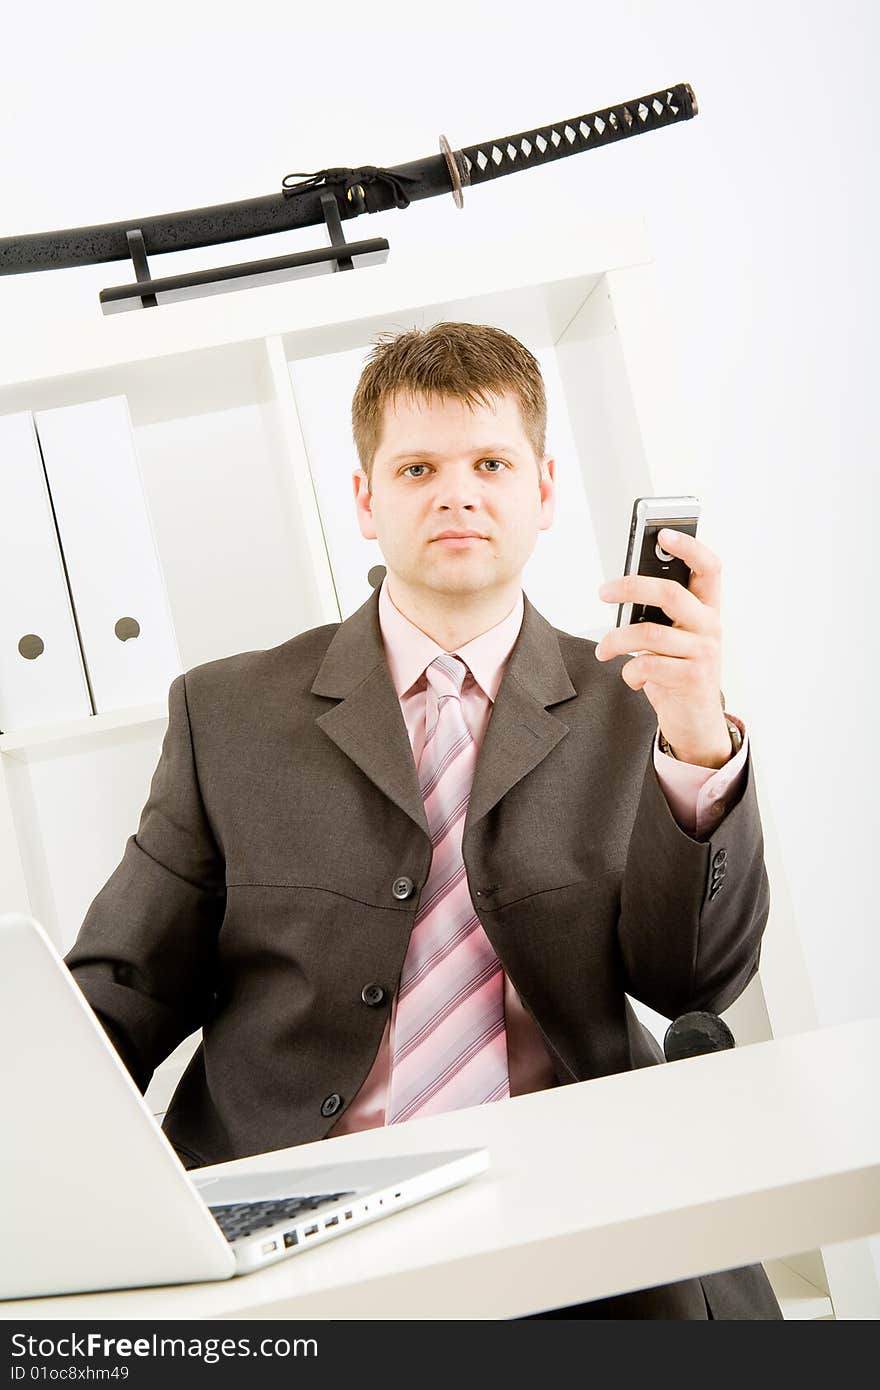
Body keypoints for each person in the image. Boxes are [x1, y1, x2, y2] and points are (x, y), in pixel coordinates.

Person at [65, 321, 781, 1319]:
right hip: (297, 1224)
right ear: (366, 500)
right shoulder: (223, 714)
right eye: (416, 467)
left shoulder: (640, 701)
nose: (456, 491)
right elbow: (122, 991)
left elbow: (694, 981)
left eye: (491, 461)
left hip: (581, 1208)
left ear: (542, 488)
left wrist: (698, 742)